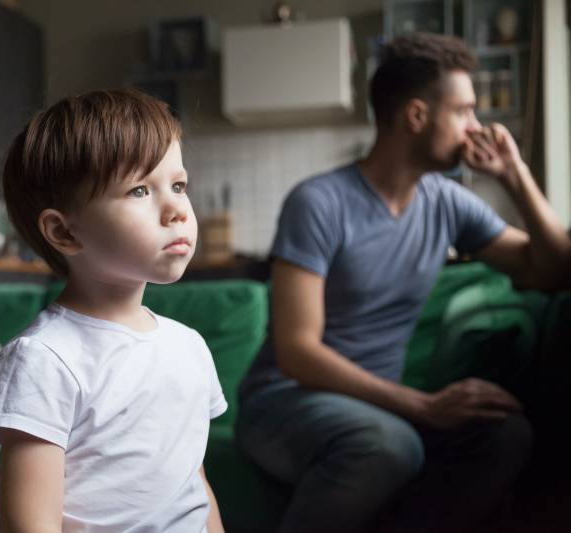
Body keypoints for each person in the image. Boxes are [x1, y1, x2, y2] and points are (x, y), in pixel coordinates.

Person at [236, 33, 570, 533]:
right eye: (464, 112)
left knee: (505, 436)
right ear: (417, 116)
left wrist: (515, 176)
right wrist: (424, 405)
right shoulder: (319, 203)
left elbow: (555, 271)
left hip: (374, 409)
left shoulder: (446, 203)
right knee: (388, 445)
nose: (476, 128)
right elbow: (297, 353)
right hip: (283, 402)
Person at [0, 89, 226, 532]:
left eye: (178, 185)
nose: (176, 211)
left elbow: (195, 489)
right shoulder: (43, 360)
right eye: (140, 189)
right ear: (64, 232)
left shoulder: (190, 347)